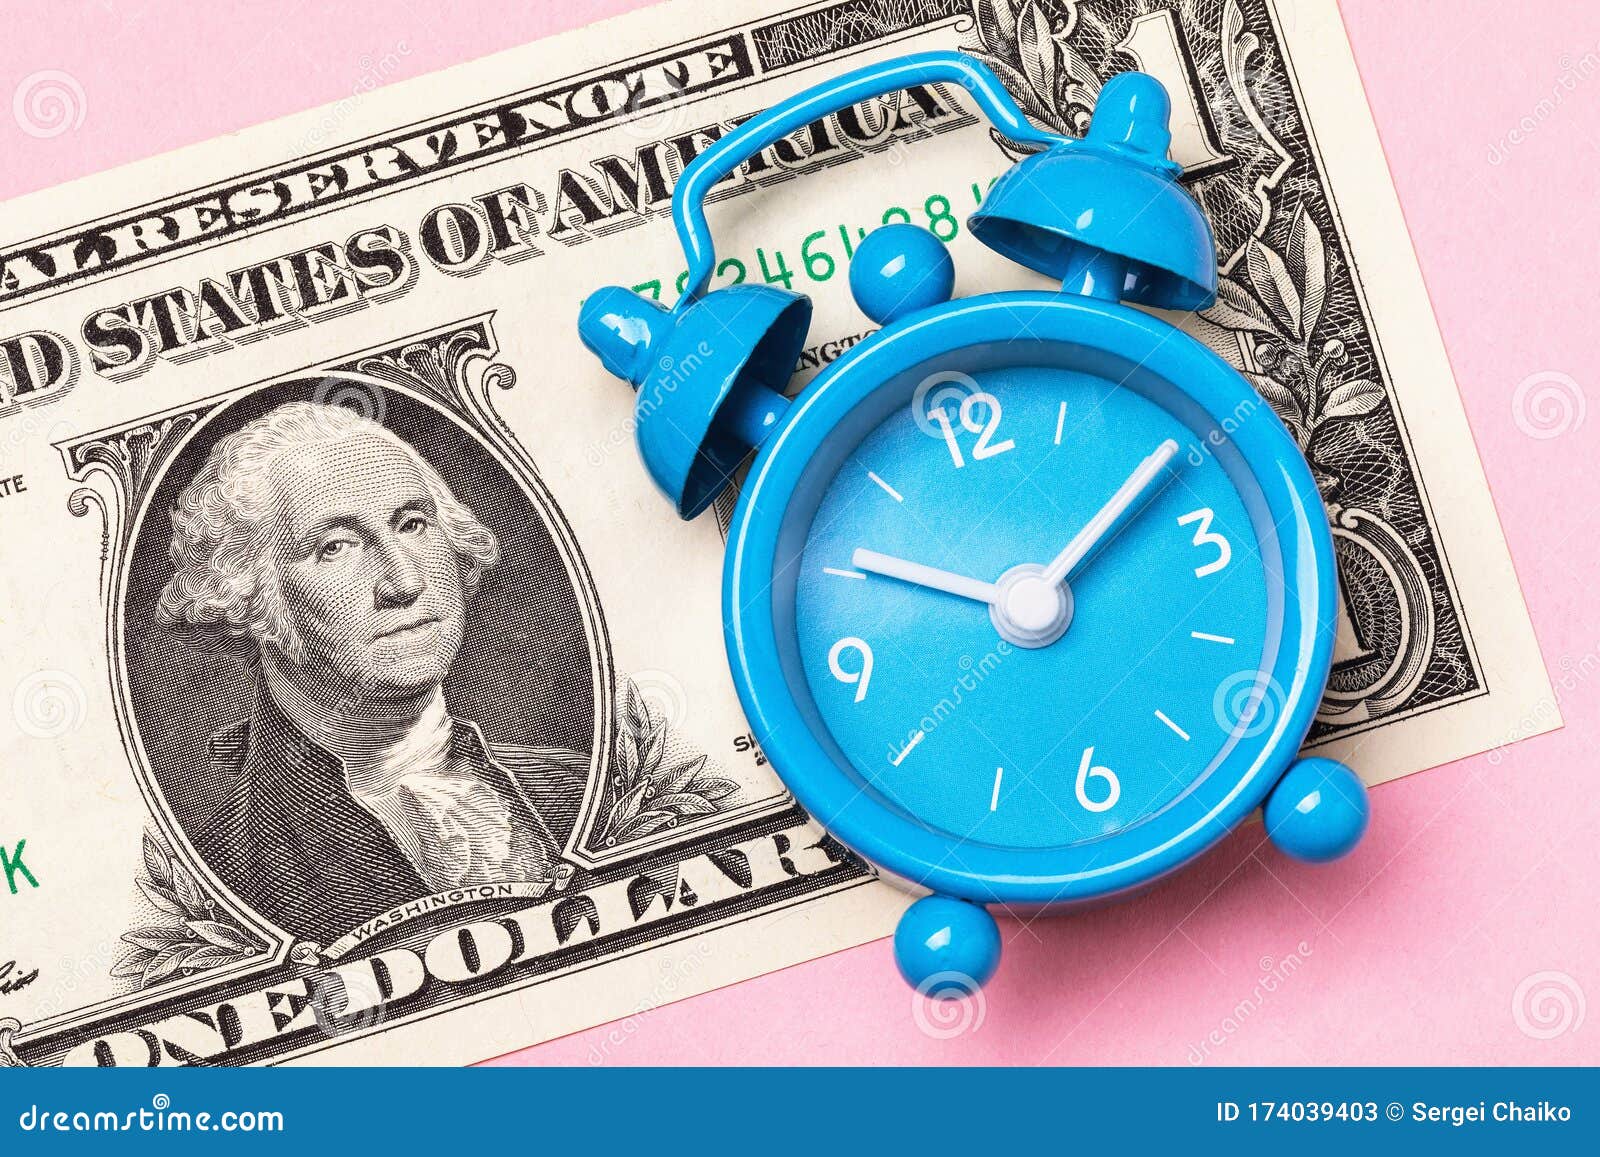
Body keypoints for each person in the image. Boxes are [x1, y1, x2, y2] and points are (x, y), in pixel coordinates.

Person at [156, 399, 582, 946]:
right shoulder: (221, 878)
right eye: (335, 547)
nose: (403, 582)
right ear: (247, 595)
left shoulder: (576, 784)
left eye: (412, 524)